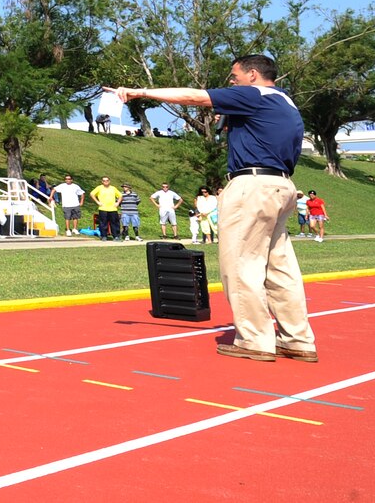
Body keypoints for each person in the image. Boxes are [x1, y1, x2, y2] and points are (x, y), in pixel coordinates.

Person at [107, 55, 315, 363]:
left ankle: (255, 339)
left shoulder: (253, 94)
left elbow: (193, 97)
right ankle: (297, 339)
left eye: (234, 76)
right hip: (282, 185)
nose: (231, 83)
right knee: (280, 269)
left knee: (241, 265)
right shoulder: (286, 101)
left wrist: (140, 93)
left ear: (253, 75)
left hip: (252, 186)